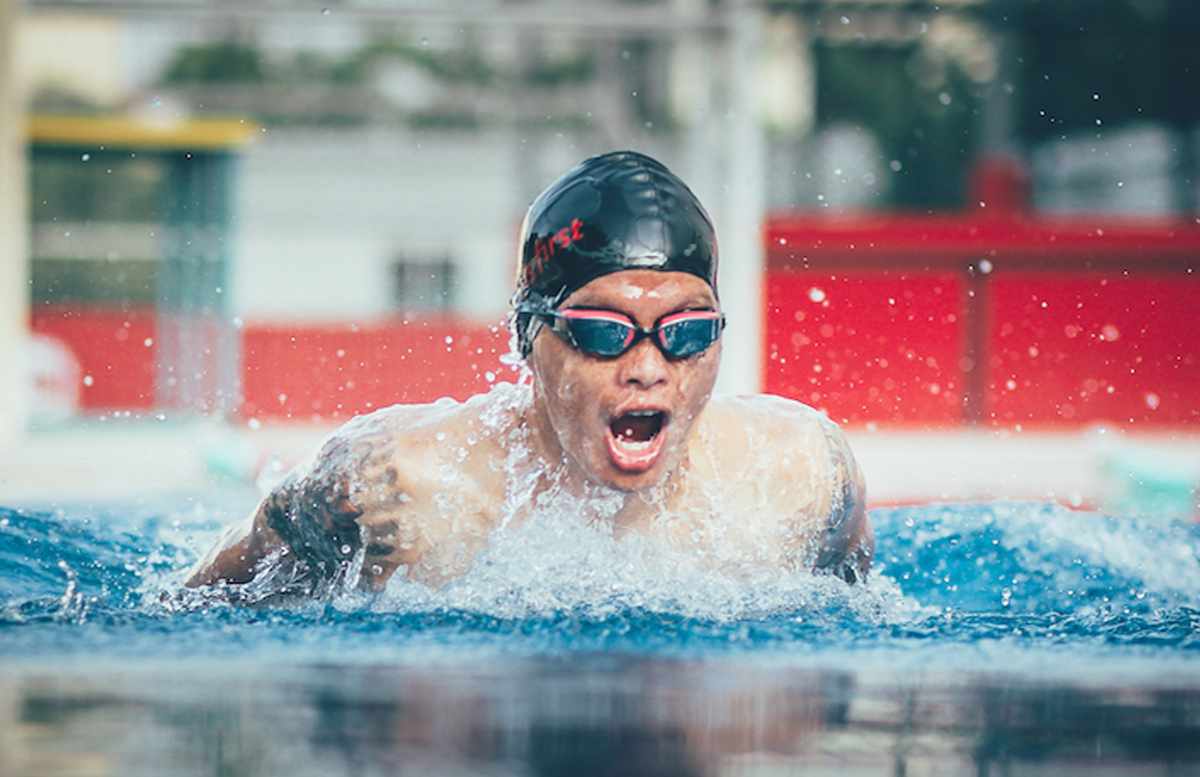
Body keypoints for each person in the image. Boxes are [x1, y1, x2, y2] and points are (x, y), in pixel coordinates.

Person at [185, 151, 872, 600]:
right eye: (604, 333)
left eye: (686, 333)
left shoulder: (803, 477)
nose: (647, 369)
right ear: (529, 336)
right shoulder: (399, 483)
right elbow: (191, 609)